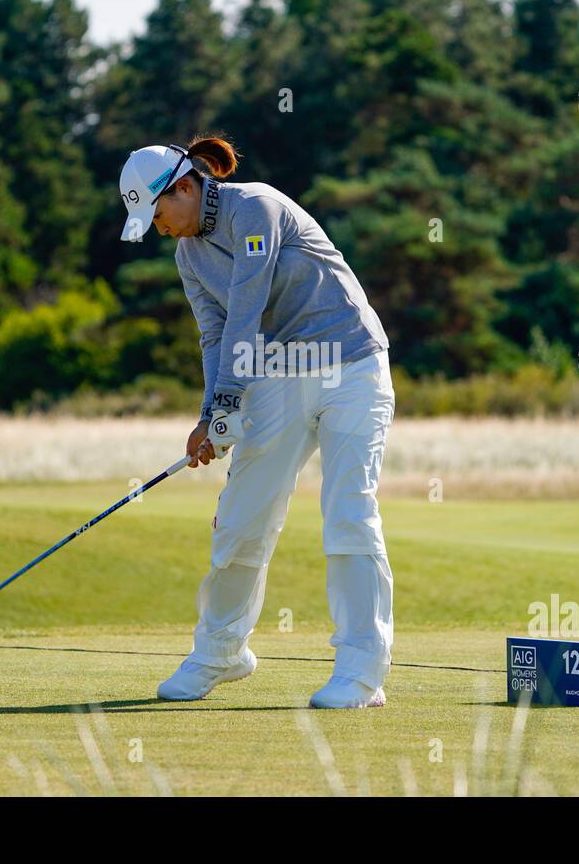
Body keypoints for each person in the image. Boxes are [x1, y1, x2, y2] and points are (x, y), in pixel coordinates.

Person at [118, 135, 395, 709]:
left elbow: (247, 308)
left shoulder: (257, 207)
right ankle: (220, 651)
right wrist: (209, 419)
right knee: (242, 517)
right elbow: (216, 335)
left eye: (160, 212)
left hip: (353, 363)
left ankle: (361, 672)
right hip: (279, 371)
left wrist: (225, 406)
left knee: (348, 511)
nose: (160, 227)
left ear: (186, 186)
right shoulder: (188, 256)